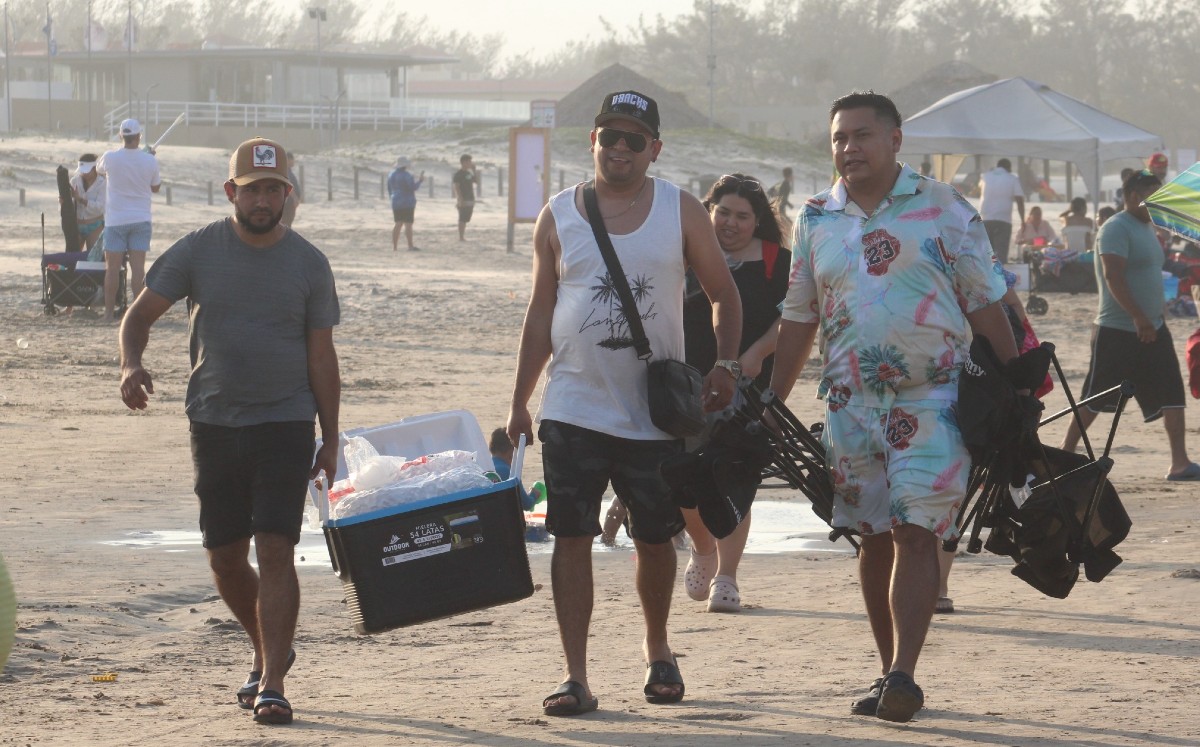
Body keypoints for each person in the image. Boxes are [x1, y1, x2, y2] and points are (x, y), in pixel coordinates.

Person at [769, 91, 1018, 723]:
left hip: (932, 395)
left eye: (861, 135)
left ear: (895, 139)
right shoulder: (818, 217)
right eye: (838, 138)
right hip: (850, 402)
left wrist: (1014, 390)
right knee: (871, 539)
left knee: (915, 531)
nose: (848, 148)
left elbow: (986, 303)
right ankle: (888, 673)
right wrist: (770, 401)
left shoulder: (943, 208)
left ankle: (906, 671)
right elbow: (799, 316)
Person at [506, 90, 742, 717]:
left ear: (654, 149)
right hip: (573, 406)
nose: (619, 147)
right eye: (609, 134)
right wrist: (519, 401)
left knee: (655, 538)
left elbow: (723, 292)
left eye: (634, 138)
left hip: (653, 410)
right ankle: (575, 674)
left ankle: (658, 649)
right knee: (572, 535)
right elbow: (539, 314)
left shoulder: (681, 210)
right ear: (593, 141)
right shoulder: (558, 215)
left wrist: (725, 362)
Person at [118, 137, 341, 726]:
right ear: (231, 192)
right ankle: (269, 645)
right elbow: (138, 316)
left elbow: (322, 358)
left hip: (285, 422)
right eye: (253, 189)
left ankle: (272, 683)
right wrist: (129, 363)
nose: (264, 199)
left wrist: (332, 437)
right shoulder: (198, 251)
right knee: (223, 556)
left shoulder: (309, 263)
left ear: (287, 195)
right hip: (214, 421)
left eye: (274, 189)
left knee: (275, 546)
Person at [680, 173, 790, 613]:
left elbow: (794, 318)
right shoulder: (686, 253)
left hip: (748, 385)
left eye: (742, 216)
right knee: (681, 477)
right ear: (708, 210)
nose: (730, 223)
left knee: (735, 477)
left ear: (757, 220)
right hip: (684, 383)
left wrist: (758, 354)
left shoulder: (776, 262)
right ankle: (702, 547)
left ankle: (727, 577)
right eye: (723, 212)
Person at [1060, 170, 1200, 481]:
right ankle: (1065, 452)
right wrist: (1138, 316)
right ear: (1135, 196)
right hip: (1118, 329)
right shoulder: (1114, 229)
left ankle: (1180, 462)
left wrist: (1157, 314)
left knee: (1173, 394)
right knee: (1096, 397)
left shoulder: (1149, 228)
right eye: (1154, 196)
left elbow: (1150, 274)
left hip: (1154, 327)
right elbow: (1113, 276)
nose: (1158, 203)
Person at [98, 118, 161, 321]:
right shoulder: (150, 160)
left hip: (116, 220)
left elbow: (99, 170)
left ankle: (108, 313)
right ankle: (137, 314)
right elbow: (156, 187)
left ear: (121, 136)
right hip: (140, 218)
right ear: (139, 136)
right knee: (138, 269)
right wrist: (147, 157)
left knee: (112, 269)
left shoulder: (110, 157)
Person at [978, 158, 1025, 264]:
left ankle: (985, 278)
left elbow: (979, 188)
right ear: (1009, 168)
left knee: (986, 253)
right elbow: (1019, 200)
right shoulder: (1012, 178)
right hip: (1003, 220)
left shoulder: (985, 176)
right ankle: (1000, 278)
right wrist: (1023, 220)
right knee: (1001, 253)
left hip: (985, 218)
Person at [488, 427, 543, 511]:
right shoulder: (510, 472)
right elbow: (527, 504)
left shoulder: (484, 467)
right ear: (511, 453)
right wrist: (534, 494)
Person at [70, 153, 106, 253]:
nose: (84, 174)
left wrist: (81, 199)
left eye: (87, 171)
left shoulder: (103, 182)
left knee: (93, 258)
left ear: (94, 168)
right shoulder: (74, 181)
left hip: (95, 224)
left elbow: (101, 207)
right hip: (77, 224)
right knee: (74, 257)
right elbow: (68, 207)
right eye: (82, 172)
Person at [387, 156, 424, 252]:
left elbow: (389, 189)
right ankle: (410, 246)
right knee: (408, 224)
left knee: (398, 223)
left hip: (395, 200)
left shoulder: (391, 174)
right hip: (407, 201)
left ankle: (394, 247)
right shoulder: (407, 175)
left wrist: (392, 197)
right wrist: (420, 181)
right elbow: (412, 187)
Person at [452, 153, 478, 241]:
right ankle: (461, 237)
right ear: (463, 162)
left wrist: (474, 170)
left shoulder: (468, 173)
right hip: (463, 198)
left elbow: (476, 181)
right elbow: (456, 187)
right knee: (462, 218)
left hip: (470, 197)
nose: (470, 163)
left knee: (467, 218)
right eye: (469, 161)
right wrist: (460, 199)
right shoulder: (458, 174)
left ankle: (462, 236)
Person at [281, 152, 302, 227]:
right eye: (291, 159)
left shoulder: (288, 171)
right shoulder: (285, 171)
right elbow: (287, 185)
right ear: (287, 160)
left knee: (288, 222)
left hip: (290, 201)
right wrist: (294, 198)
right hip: (288, 201)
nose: (293, 161)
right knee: (286, 222)